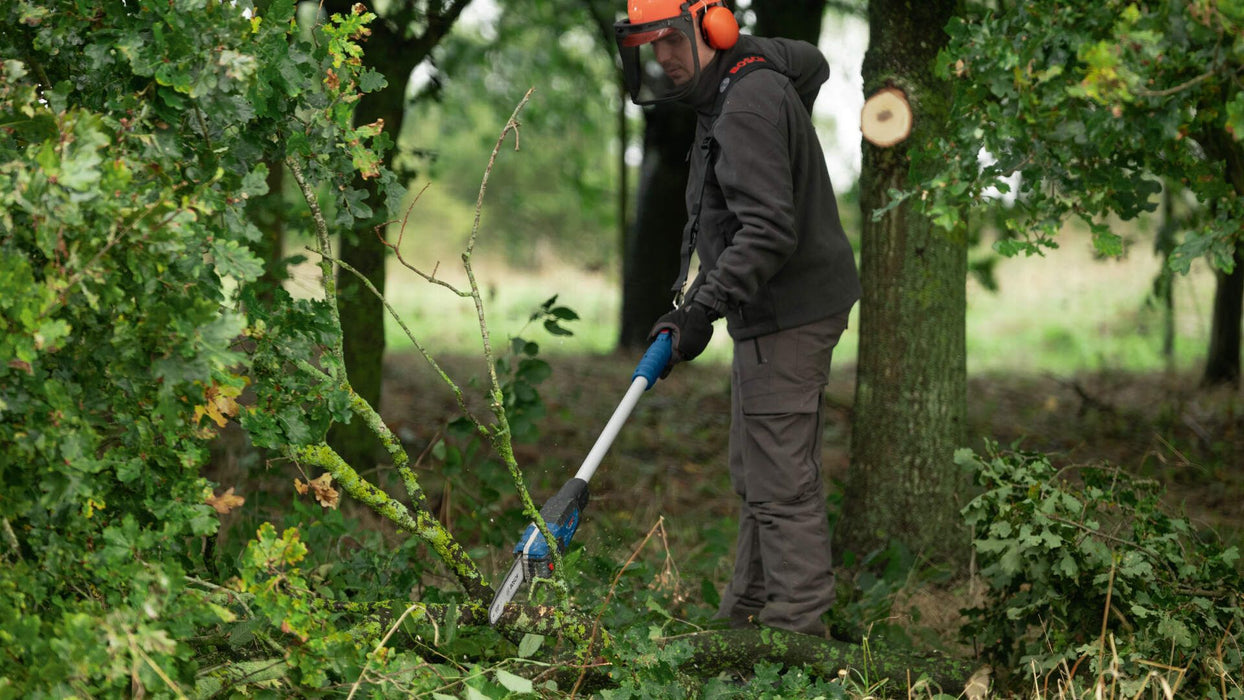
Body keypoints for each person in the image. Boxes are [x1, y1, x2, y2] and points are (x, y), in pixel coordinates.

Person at [615, 1, 861, 637]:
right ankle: (746, 614)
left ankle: (798, 631)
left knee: (780, 478)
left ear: (712, 28)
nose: (663, 59)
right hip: (777, 307)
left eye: (672, 41)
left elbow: (769, 231)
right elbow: (810, 63)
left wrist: (702, 308)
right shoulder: (735, 83)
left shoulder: (745, 101)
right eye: (651, 46)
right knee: (756, 469)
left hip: (790, 307)